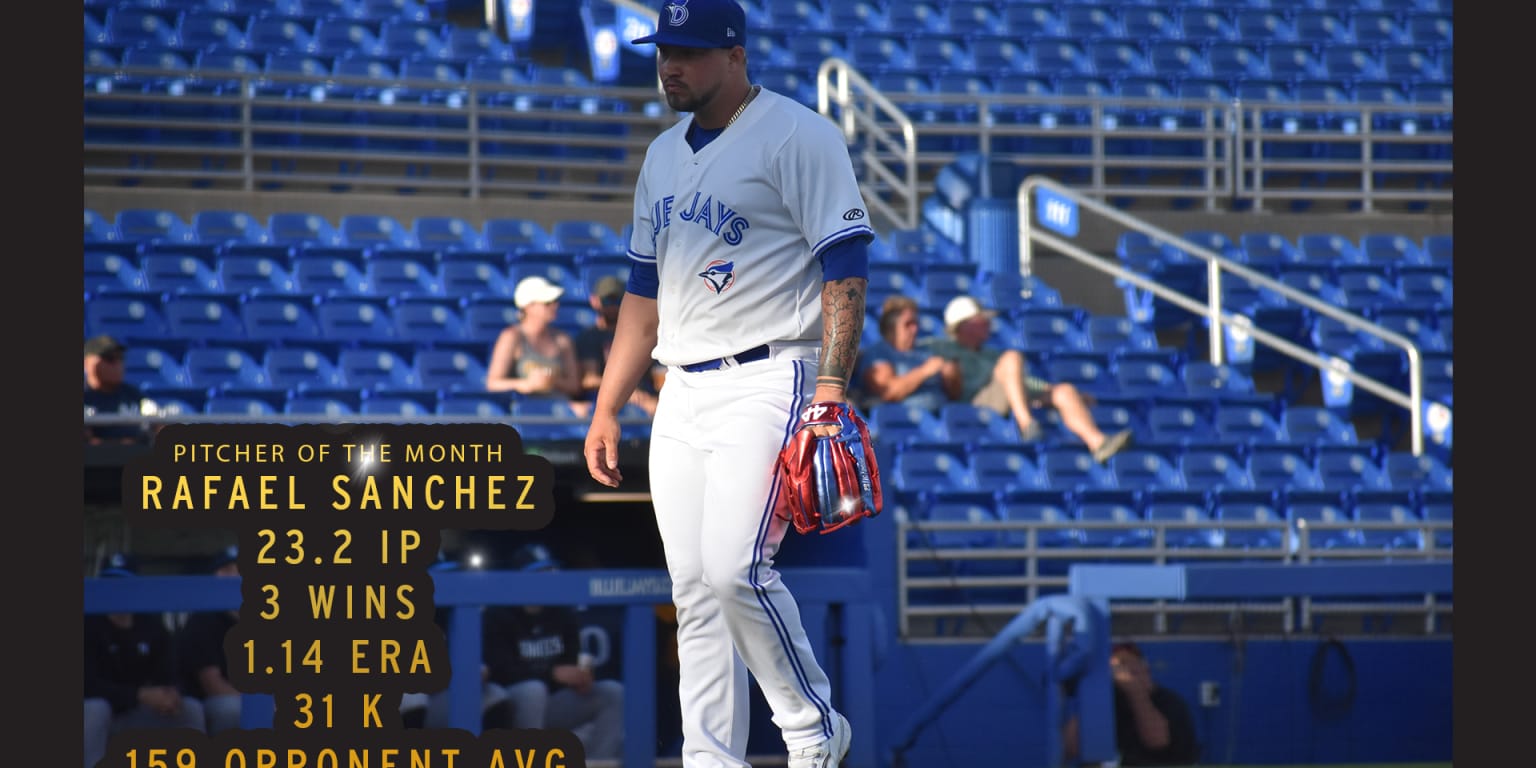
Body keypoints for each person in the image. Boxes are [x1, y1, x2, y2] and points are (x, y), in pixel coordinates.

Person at [583, 0, 874, 763]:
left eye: (689, 49)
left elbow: (845, 271)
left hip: (771, 372)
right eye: (663, 49)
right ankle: (711, 757)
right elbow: (641, 300)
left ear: (735, 54)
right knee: (693, 592)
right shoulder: (661, 155)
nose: (670, 64)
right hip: (681, 386)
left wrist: (832, 391)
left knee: (735, 569)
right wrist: (607, 407)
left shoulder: (798, 133)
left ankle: (813, 729)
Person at [926, 295, 1134, 464]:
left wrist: (1049, 390)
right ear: (964, 325)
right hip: (972, 404)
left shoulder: (990, 354)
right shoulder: (939, 347)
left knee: (1064, 391)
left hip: (1003, 397)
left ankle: (1097, 442)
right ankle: (1028, 425)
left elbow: (1020, 380)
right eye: (983, 320)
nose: (989, 324)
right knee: (1012, 358)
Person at [482, 543, 624, 761]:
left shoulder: (562, 614)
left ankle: (599, 763)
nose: (547, 578)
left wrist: (578, 678)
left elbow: (568, 664)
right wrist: (551, 675)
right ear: (519, 579)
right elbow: (501, 672)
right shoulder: (498, 614)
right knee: (533, 690)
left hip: (550, 705)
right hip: (512, 706)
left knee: (612, 692)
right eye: (539, 573)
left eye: (550, 572)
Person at [85, 553, 206, 768]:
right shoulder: (89, 624)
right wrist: (139, 694)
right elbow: (88, 684)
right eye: (110, 584)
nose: (117, 591)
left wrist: (172, 694)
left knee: (190, 709)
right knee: (95, 708)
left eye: (124, 584)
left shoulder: (150, 624)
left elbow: (170, 670)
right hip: (104, 714)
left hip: (138, 712)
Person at [1063, 641, 1201, 767]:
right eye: (1117, 669)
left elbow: (1157, 742)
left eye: (1131, 669)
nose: (1123, 674)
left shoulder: (1169, 702)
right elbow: (1070, 748)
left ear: (1145, 669)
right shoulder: (1110, 701)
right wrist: (1093, 693)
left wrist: (1134, 690)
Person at [485, 275, 591, 418]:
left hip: (560, 412)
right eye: (547, 302)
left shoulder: (562, 340)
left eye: (555, 301)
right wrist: (527, 385)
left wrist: (551, 381)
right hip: (527, 414)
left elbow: (574, 385)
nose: (555, 305)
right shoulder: (511, 337)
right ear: (529, 307)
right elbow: (493, 383)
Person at [176, 545, 243, 734]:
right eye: (228, 571)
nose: (235, 577)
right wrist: (260, 703)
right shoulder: (203, 620)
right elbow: (213, 685)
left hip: (257, 699)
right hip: (213, 702)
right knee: (232, 710)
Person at [576, 275, 662, 418]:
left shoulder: (639, 336)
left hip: (645, 398)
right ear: (595, 301)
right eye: (607, 300)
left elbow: (657, 374)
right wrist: (626, 392)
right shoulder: (589, 337)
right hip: (608, 398)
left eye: (617, 300)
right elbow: (589, 379)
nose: (612, 306)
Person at [858, 295, 957, 413]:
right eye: (908, 324)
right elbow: (888, 393)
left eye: (916, 323)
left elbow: (954, 395)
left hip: (940, 416)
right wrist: (924, 371)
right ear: (891, 327)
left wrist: (951, 377)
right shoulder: (878, 354)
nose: (915, 329)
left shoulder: (926, 352)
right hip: (903, 420)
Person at [83, 335, 149, 444]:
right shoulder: (86, 396)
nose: (117, 364)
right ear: (87, 363)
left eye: (121, 358)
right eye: (110, 359)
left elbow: (156, 426)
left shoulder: (133, 395)